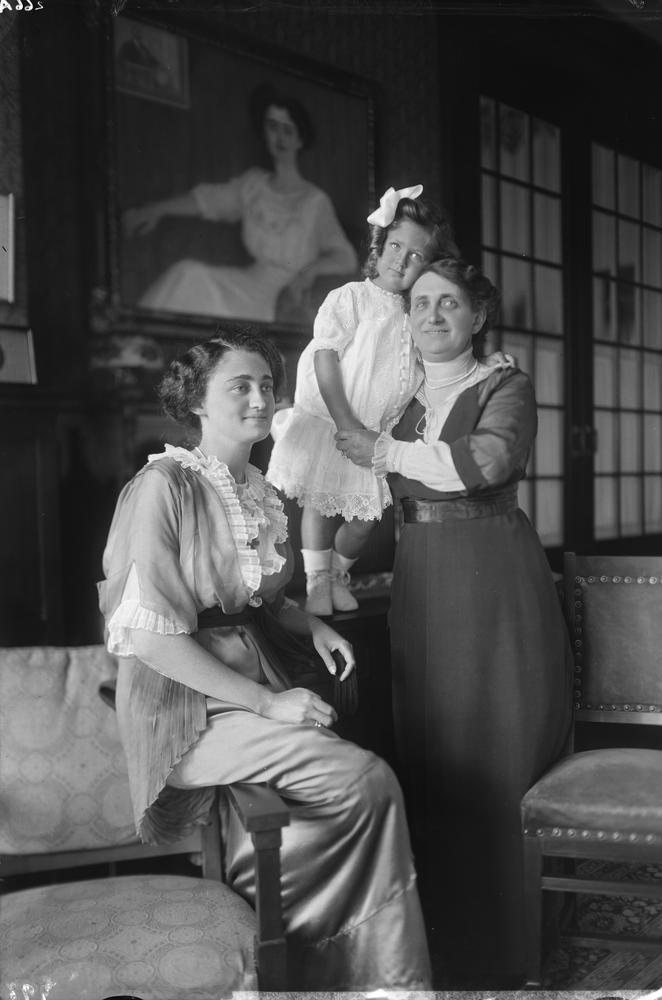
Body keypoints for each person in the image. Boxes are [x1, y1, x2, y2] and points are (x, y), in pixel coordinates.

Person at [97, 325, 431, 992]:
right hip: (185, 705)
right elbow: (152, 638)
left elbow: (258, 601)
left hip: (254, 682)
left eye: (266, 385)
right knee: (365, 781)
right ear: (198, 400)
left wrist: (313, 624)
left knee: (343, 793)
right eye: (239, 386)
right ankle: (319, 963)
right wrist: (268, 703)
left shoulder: (255, 488)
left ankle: (313, 965)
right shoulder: (163, 486)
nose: (259, 399)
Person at [336, 258, 574, 990]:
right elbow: (371, 497)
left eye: (449, 302)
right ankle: (441, 946)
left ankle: (512, 946)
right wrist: (327, 566)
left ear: (478, 315)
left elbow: (487, 461)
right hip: (421, 579)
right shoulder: (399, 402)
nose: (433, 314)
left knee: (500, 740)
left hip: (493, 575)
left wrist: (383, 451)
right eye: (420, 303)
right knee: (433, 745)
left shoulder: (505, 385)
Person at [265, 183, 459, 616]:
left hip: (375, 434)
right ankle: (317, 581)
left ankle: (337, 572)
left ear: (428, 267)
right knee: (320, 504)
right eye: (395, 246)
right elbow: (324, 357)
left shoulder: (416, 315)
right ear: (380, 246)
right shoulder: (352, 298)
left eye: (415, 256)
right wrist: (344, 420)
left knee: (365, 520)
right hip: (336, 421)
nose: (400, 260)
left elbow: (421, 371)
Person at [122, 85, 357, 323]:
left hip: (278, 299)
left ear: (300, 139)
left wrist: (309, 272)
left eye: (288, 130)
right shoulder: (253, 184)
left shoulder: (315, 201)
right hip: (246, 283)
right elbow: (209, 200)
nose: (280, 137)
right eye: (272, 127)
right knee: (187, 273)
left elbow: (346, 258)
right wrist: (156, 210)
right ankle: (135, 338)